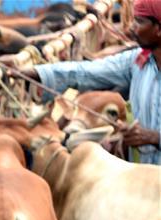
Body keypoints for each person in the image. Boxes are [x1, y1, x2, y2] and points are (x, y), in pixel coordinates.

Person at [13, 0, 161, 164]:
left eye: (139, 21)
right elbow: (86, 71)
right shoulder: (137, 61)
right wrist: (33, 72)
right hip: (143, 174)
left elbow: (153, 137)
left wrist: (154, 137)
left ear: (159, 29)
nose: (131, 27)